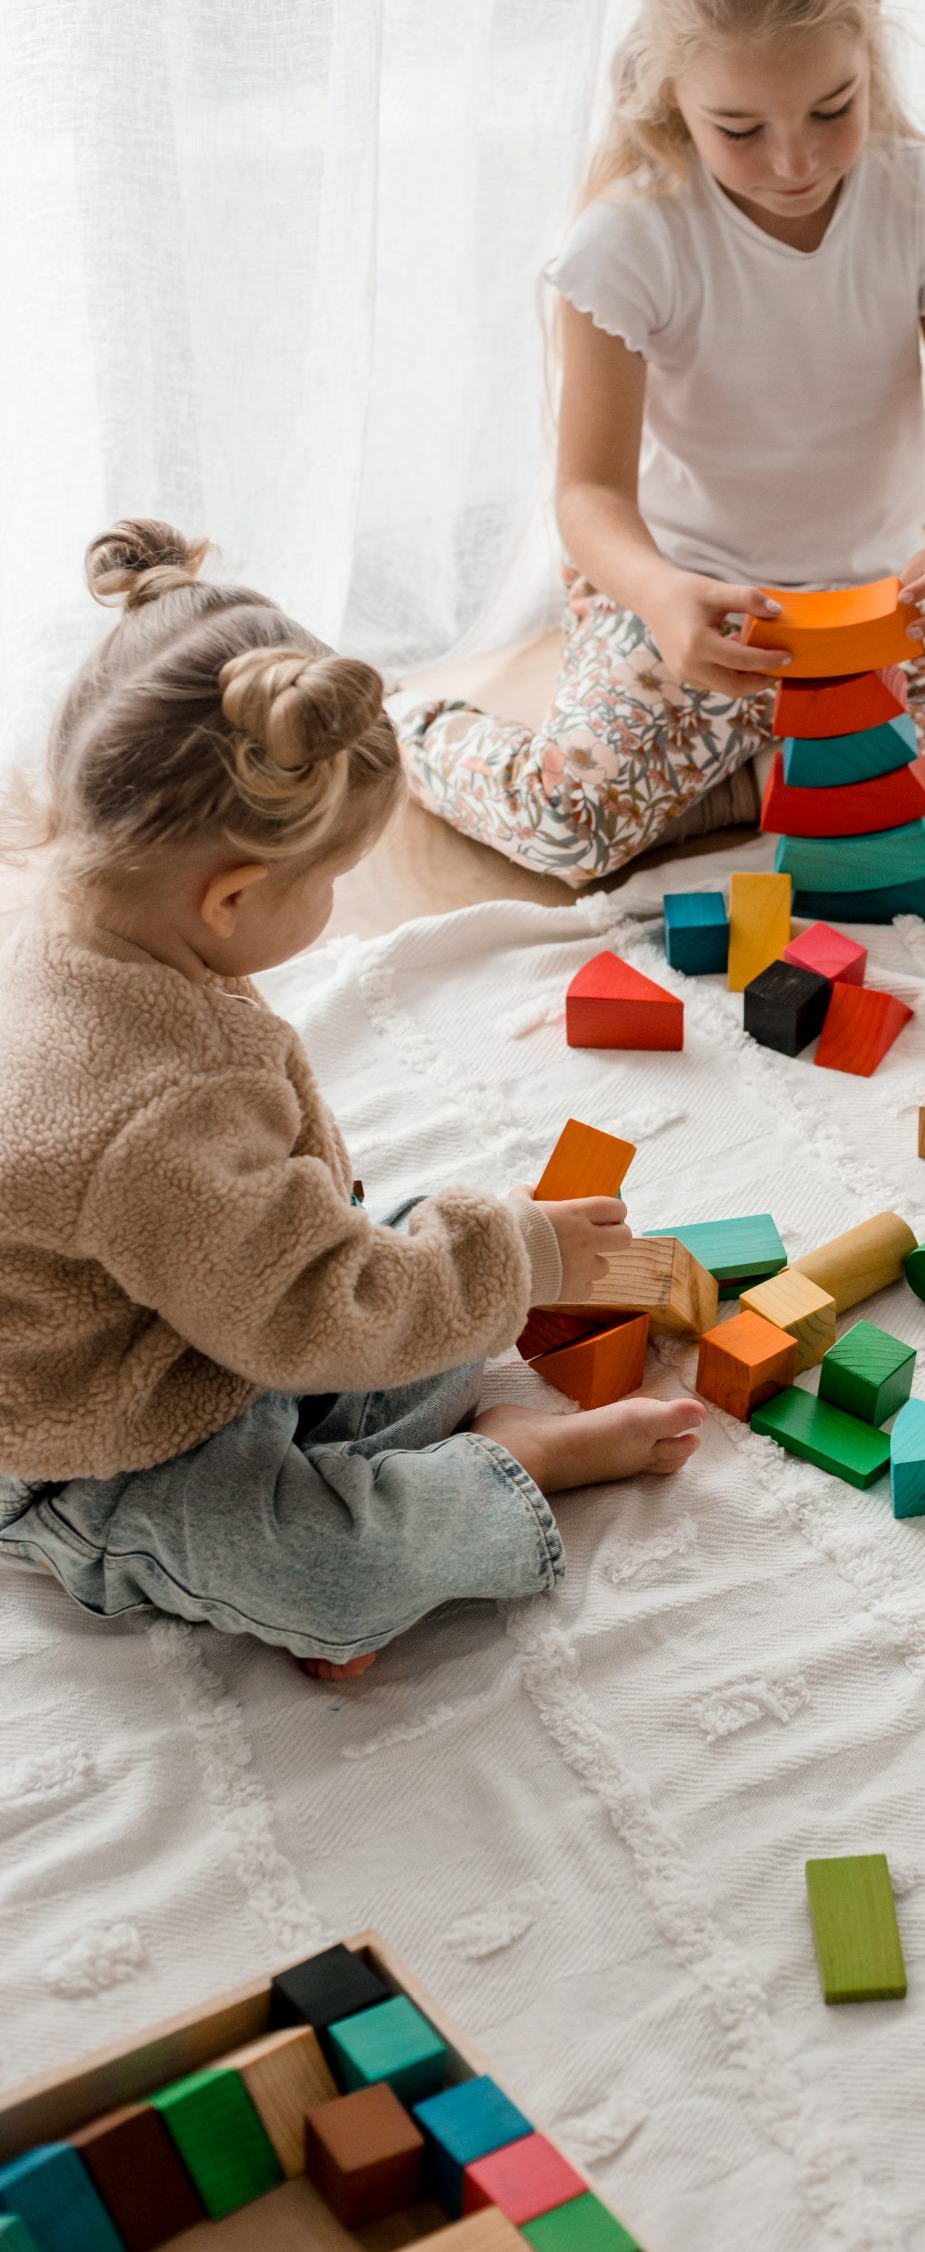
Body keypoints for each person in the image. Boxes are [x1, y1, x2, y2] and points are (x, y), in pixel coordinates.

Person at [0, 520, 705, 1678]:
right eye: (329, 879)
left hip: (206, 1317)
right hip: (93, 1443)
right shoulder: (150, 1113)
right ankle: (512, 1466)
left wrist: (494, 1266)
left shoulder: (86, 917)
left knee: (416, 1300)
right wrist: (514, 1264)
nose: (333, 899)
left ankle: (422, 1347)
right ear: (230, 898)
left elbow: (285, 1272)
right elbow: (299, 1305)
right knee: (338, 1578)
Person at [395, 0, 925, 881]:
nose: (794, 162)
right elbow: (588, 493)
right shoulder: (630, 242)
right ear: (669, 86)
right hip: (686, 609)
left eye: (833, 109)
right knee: (570, 825)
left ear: (869, 37)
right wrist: (658, 595)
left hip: (865, 612)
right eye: (739, 130)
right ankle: (414, 729)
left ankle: (737, 783)